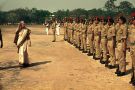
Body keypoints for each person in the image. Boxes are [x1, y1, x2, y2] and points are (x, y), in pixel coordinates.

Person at [129, 13, 135, 86]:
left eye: (133, 19)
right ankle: (132, 78)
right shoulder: (131, 27)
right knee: (133, 64)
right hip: (132, 46)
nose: (132, 21)